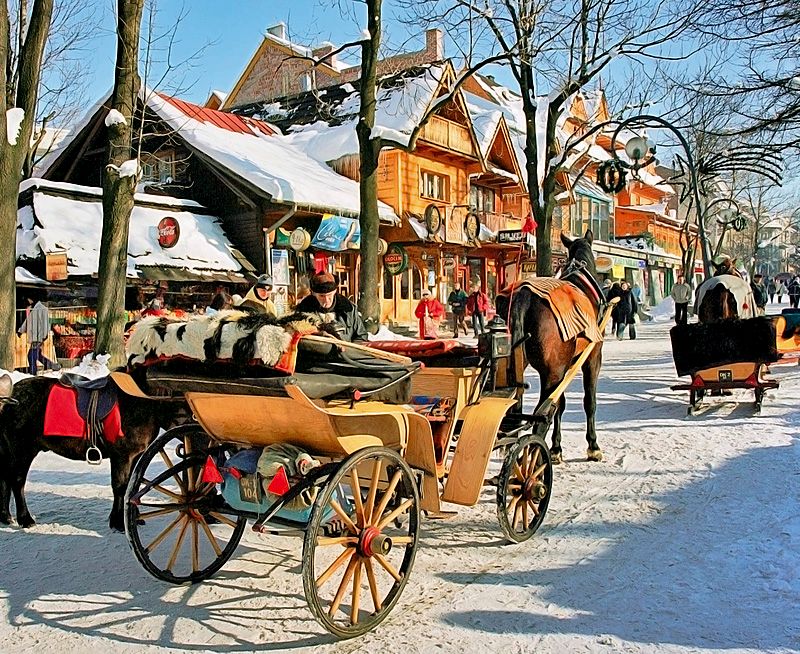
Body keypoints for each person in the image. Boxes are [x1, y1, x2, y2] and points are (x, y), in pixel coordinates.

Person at [295, 271, 369, 342]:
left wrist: (348, 352)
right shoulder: (303, 311)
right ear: (314, 294)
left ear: (335, 291)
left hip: (344, 353)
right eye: (322, 296)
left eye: (329, 295)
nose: (326, 300)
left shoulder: (348, 309)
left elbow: (361, 337)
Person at [18, 296, 60, 375]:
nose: (28, 301)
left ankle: (33, 373)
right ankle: (54, 366)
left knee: (31, 355)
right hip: (36, 336)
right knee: (37, 355)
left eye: (29, 299)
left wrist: (44, 335)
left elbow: (46, 323)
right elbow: (28, 321)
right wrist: (21, 330)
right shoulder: (33, 309)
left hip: (38, 336)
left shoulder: (42, 309)